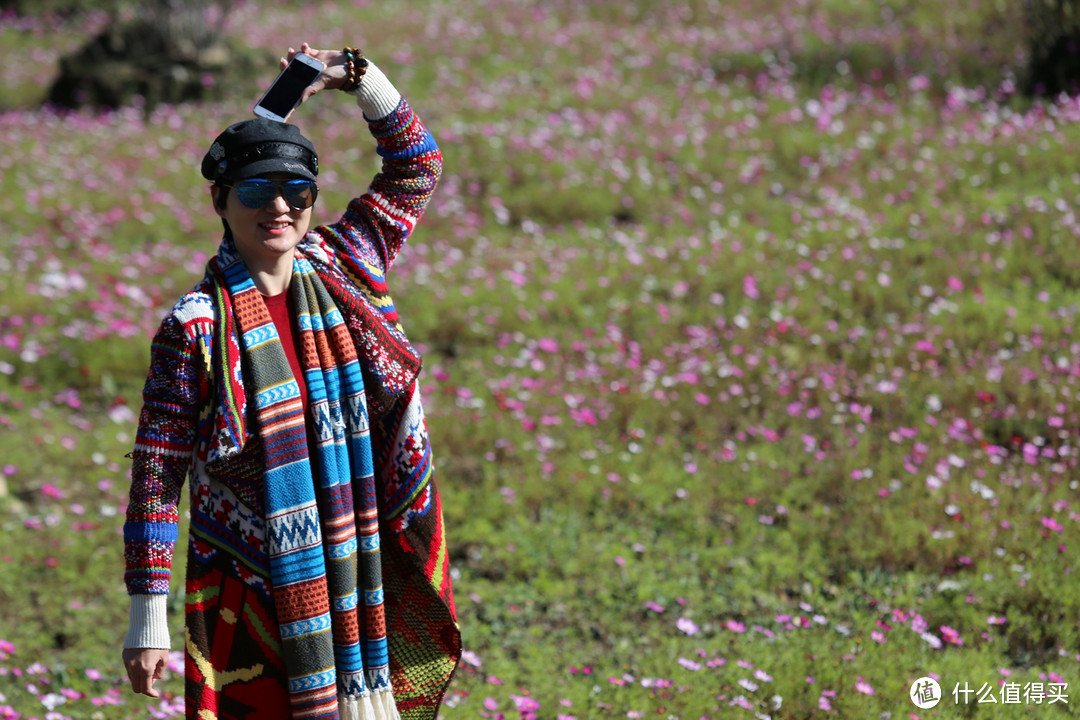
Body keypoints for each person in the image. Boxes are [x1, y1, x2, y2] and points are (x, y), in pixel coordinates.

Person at [121, 43, 460, 720]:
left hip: (358, 556)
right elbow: (158, 474)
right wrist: (147, 616)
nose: (278, 207)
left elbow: (417, 166)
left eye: (296, 191)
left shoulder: (343, 262)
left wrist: (359, 78)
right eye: (255, 190)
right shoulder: (195, 327)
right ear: (220, 200)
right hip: (249, 578)